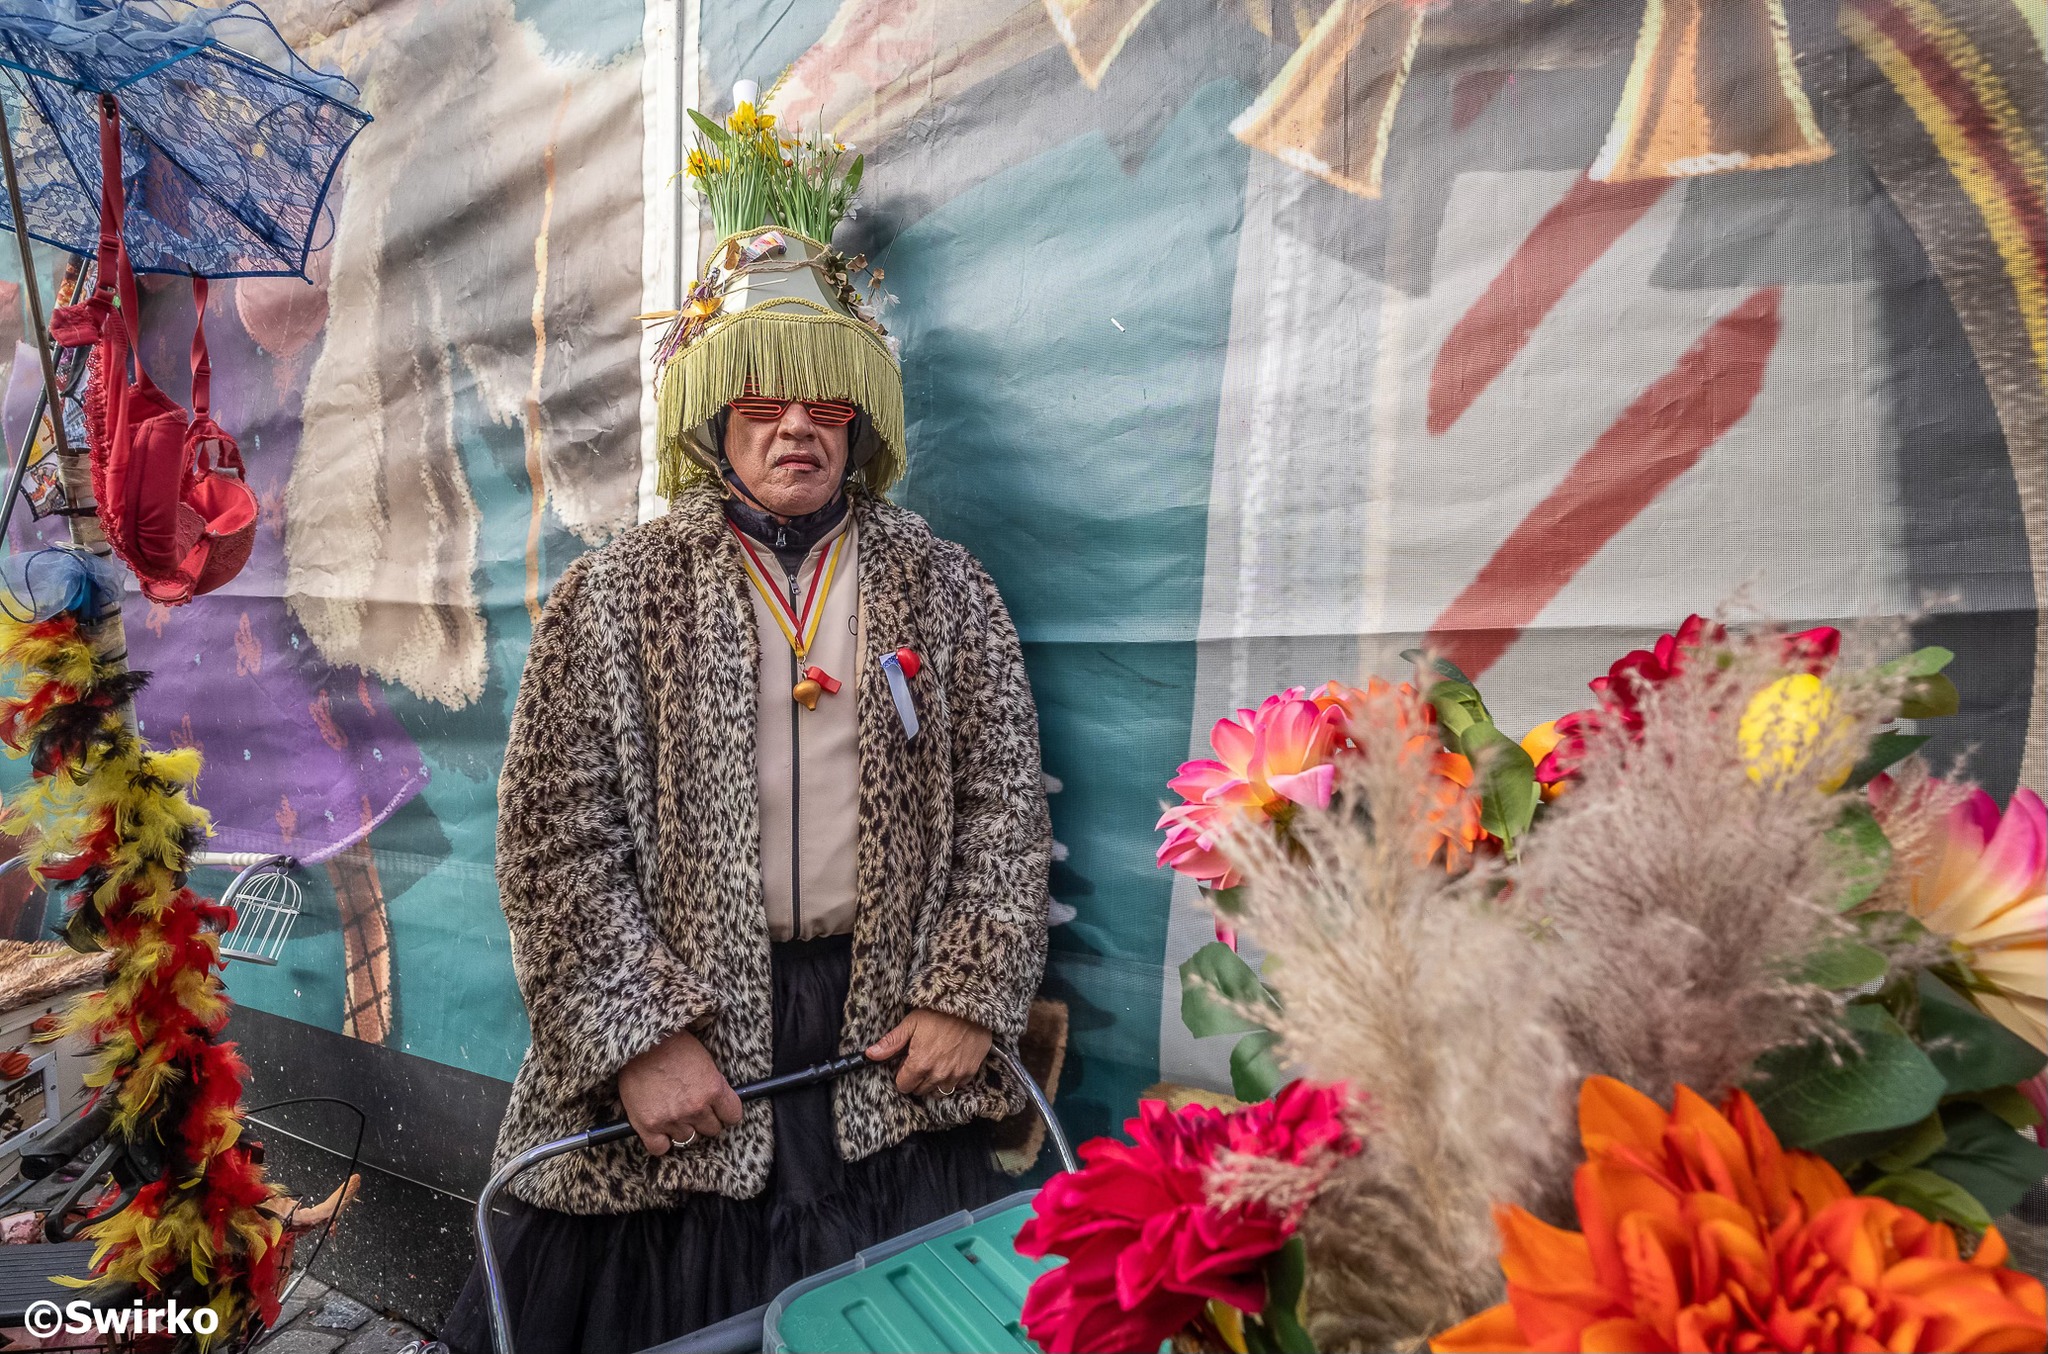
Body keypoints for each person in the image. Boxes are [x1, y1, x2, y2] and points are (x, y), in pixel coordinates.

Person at [442, 226, 1051, 1354]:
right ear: (716, 417)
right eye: (763, 400)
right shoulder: (616, 594)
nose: (795, 426)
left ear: (859, 420)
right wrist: (636, 1039)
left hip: (882, 1041)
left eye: (825, 401)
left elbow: (1003, 814)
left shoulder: (947, 587)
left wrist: (968, 994)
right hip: (691, 1036)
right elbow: (554, 845)